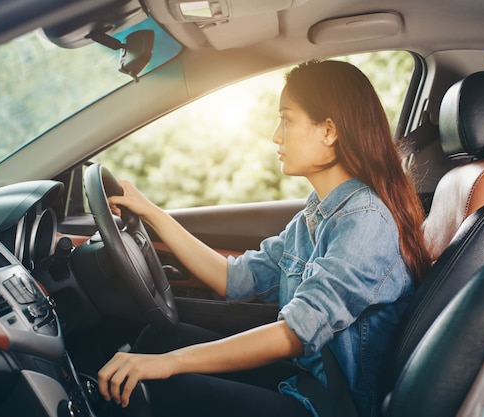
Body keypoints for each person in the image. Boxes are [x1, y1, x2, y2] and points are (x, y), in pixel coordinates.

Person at [97, 60, 432, 417]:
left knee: (160, 379)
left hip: (330, 405)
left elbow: (293, 334)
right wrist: (151, 213)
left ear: (329, 131)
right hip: (305, 379)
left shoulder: (365, 221)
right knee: (158, 339)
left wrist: (169, 364)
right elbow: (236, 278)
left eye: (286, 119)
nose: (276, 134)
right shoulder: (317, 214)